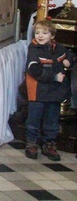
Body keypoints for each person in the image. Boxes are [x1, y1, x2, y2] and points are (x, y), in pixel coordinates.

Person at [24, 19, 75, 161]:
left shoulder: (58, 48)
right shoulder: (33, 49)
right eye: (37, 33)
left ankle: (49, 143)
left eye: (44, 33)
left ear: (52, 36)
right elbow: (33, 69)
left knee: (52, 119)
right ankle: (31, 143)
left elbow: (69, 55)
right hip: (38, 92)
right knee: (34, 119)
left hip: (54, 93)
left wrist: (68, 61)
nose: (40, 36)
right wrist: (54, 77)